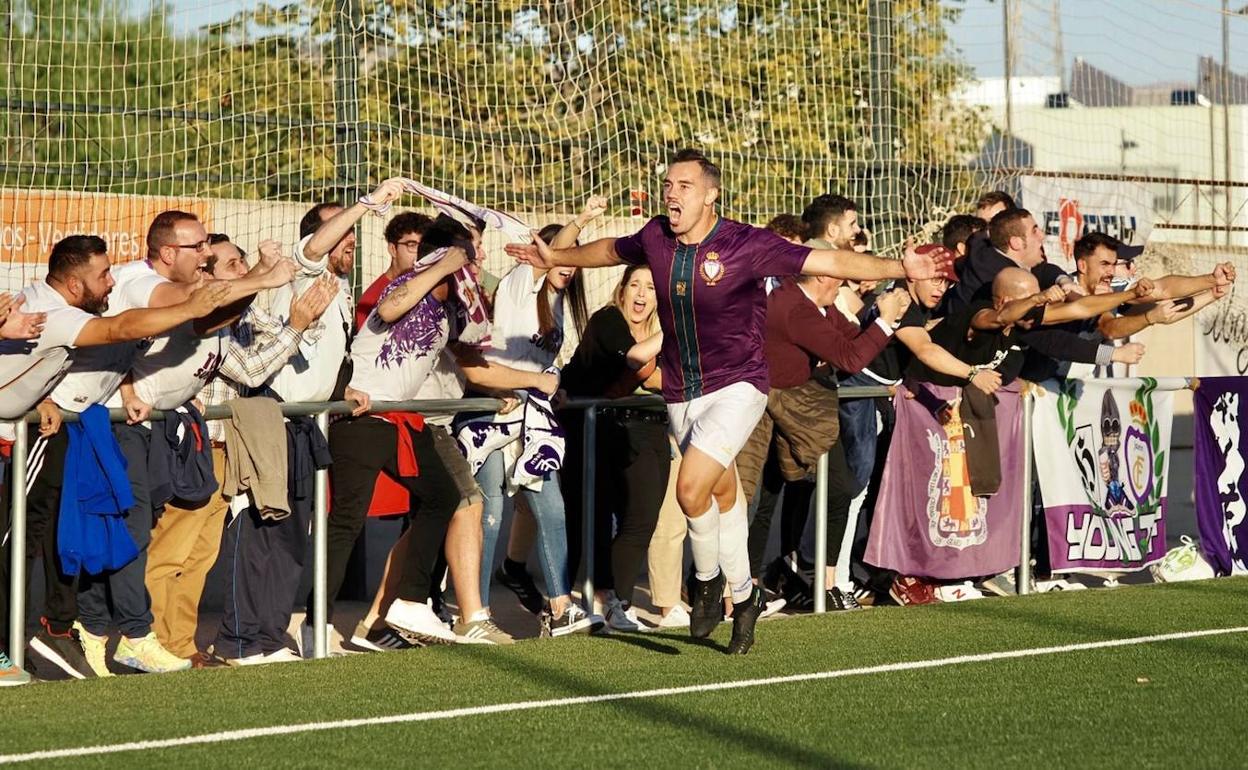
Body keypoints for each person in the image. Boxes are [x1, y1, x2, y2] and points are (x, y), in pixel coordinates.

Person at [506, 148, 949, 654]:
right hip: (681, 391)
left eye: (684, 186)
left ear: (711, 195)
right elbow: (610, 250)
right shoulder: (655, 235)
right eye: (667, 184)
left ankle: (709, 581)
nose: (671, 193)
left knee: (690, 490)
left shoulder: (745, 242)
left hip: (739, 385)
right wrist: (556, 256)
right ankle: (746, 596)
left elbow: (828, 258)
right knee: (722, 496)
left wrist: (899, 265)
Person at [0, 235, 229, 684]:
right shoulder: (56, 314)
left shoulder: (54, 307)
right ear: (72, 281)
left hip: (29, 431)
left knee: (33, 542)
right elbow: (119, 330)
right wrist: (190, 307)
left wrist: (42, 397)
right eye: (101, 274)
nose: (110, 281)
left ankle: (40, 636)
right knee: (14, 543)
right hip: (17, 440)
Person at [477, 218, 596, 638]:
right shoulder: (518, 283)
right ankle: (476, 613)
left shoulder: (558, 301)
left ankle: (560, 605)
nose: (567, 260)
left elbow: (543, 361)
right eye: (559, 252)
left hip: (534, 418)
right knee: (489, 513)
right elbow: (553, 255)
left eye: (573, 256)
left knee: (552, 505)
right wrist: (582, 219)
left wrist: (554, 383)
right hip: (494, 411)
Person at [561, 263, 667, 631]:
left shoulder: (655, 330)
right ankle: (579, 602)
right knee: (585, 518)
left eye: (651, 288)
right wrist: (676, 328)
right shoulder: (607, 320)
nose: (641, 294)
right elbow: (640, 365)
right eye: (634, 285)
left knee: (642, 519)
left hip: (639, 427)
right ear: (621, 290)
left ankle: (614, 600)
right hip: (586, 425)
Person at [355, 211, 433, 329]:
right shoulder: (372, 300)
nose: (420, 253)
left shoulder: (434, 286)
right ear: (393, 249)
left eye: (424, 246)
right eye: (412, 245)